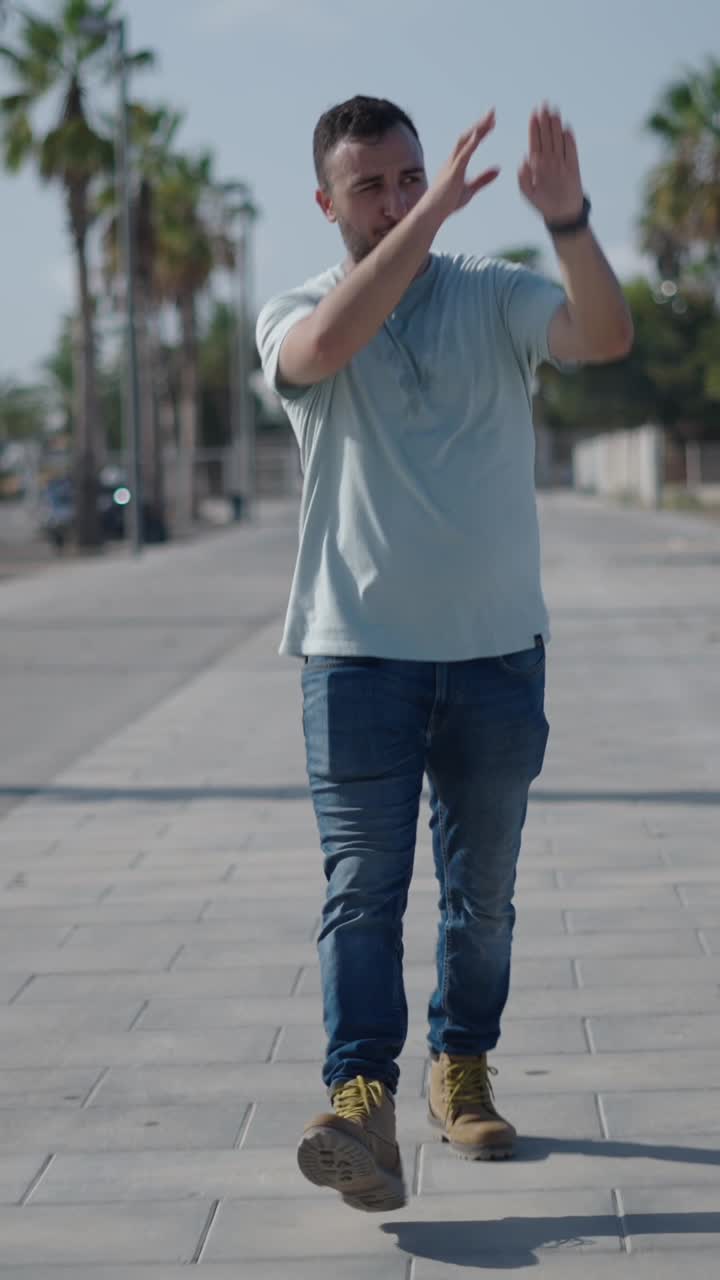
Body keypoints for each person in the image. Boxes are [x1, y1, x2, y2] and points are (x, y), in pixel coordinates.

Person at [256, 95, 632, 1213]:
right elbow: (327, 350)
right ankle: (359, 1101)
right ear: (325, 202)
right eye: (368, 185)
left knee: (486, 898)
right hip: (355, 658)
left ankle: (459, 1063)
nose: (396, 198)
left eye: (409, 176)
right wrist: (417, 234)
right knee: (361, 893)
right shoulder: (294, 309)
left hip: (495, 660)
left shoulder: (493, 293)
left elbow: (604, 336)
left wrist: (567, 223)